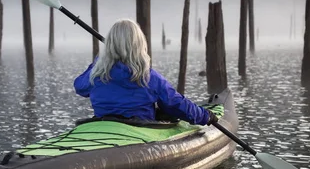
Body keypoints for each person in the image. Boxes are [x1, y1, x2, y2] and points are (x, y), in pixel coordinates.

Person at [73, 19, 218, 126]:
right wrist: (204, 116)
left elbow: (80, 87)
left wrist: (98, 63)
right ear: (139, 45)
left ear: (110, 44)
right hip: (141, 128)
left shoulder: (96, 75)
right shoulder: (148, 77)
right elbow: (175, 104)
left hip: (105, 125)